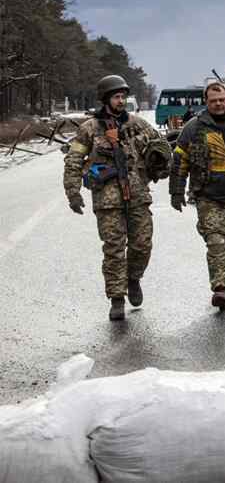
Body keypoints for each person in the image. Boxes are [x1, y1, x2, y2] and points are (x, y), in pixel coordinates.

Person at [63, 75, 170, 320]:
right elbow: (74, 160)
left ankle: (133, 278)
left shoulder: (138, 124)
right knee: (113, 249)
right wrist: (73, 192)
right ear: (106, 99)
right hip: (108, 199)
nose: (121, 101)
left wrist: (160, 163)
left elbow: (161, 146)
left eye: (123, 96)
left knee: (142, 245)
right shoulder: (89, 129)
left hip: (138, 195)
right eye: (116, 97)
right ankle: (116, 298)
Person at [169, 81, 225, 310]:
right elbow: (180, 159)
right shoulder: (194, 127)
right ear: (206, 103)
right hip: (209, 196)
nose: (218, 104)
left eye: (222, 100)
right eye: (213, 101)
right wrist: (176, 190)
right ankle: (220, 288)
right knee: (216, 241)